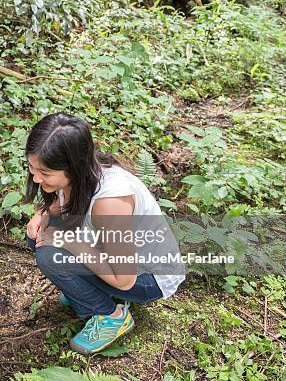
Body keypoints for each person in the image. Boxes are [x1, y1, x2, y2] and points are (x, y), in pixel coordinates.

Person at [25, 112, 185, 354]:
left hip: (147, 276)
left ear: (72, 168)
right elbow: (63, 205)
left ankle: (111, 315)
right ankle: (89, 291)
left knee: (49, 255)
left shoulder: (111, 202)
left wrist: (68, 241)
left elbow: (125, 279)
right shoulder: (83, 174)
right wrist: (43, 215)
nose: (36, 178)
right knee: (38, 235)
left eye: (45, 173)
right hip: (113, 255)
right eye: (31, 167)